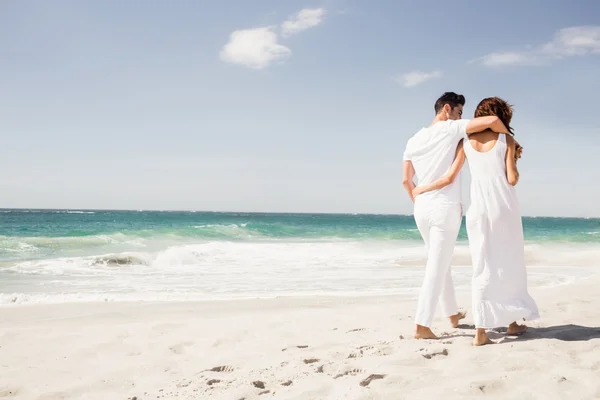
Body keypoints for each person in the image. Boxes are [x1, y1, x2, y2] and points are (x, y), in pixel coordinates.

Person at [412, 97, 539, 346]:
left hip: (477, 209)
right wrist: (514, 157)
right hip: (503, 206)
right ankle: (512, 322)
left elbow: (449, 176)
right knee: (509, 263)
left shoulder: (465, 142)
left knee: (482, 266)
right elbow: (512, 179)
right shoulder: (507, 140)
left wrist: (421, 189)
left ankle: (481, 333)